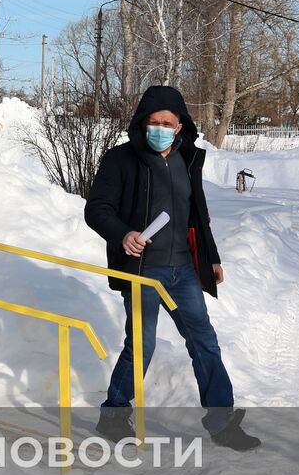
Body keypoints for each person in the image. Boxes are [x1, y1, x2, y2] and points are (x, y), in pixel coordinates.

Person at [84, 85, 260, 451]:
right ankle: (114, 414)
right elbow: (97, 209)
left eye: (168, 122)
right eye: (154, 122)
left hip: (183, 269)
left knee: (204, 341)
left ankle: (221, 420)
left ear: (180, 126)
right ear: (142, 123)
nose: (161, 128)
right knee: (142, 345)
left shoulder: (189, 159)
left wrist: (210, 257)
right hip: (142, 270)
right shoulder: (120, 160)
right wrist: (123, 234)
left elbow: (199, 214)